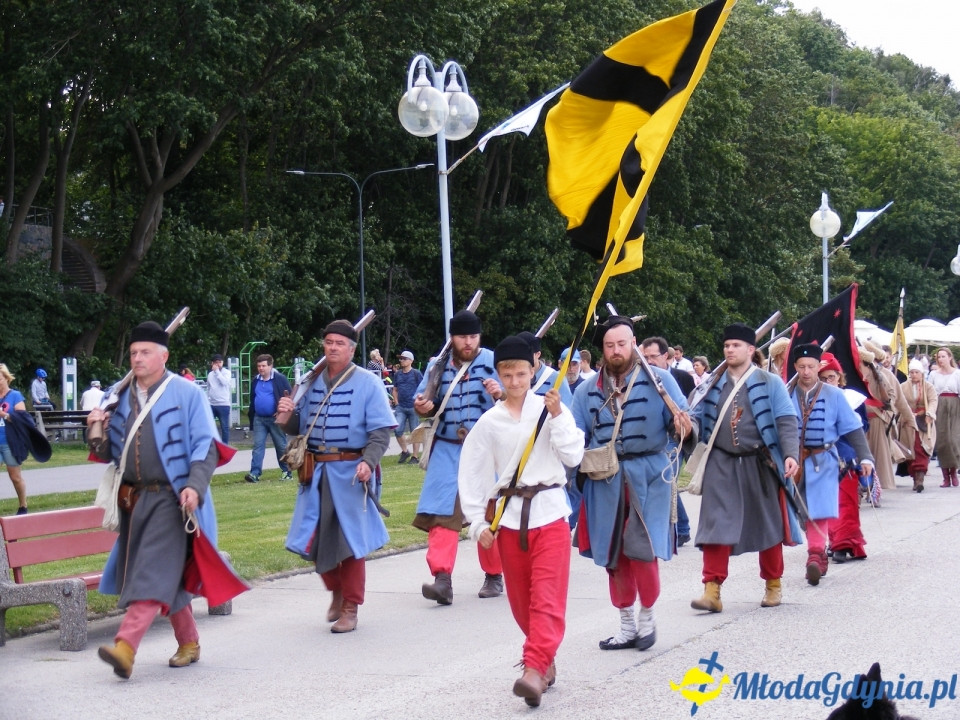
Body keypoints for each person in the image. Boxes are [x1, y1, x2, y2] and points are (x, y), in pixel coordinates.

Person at [87, 321, 222, 679]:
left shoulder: (187, 393)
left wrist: (195, 485)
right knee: (161, 573)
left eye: (145, 352)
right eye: (133, 353)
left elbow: (205, 446)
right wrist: (96, 427)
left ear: (164, 356)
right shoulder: (122, 397)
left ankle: (126, 647)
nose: (137, 358)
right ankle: (189, 641)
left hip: (172, 499)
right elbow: (109, 454)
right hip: (133, 500)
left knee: (149, 573)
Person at [458, 336, 584, 707]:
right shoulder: (489, 422)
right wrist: (478, 525)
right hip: (510, 521)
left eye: (521, 373)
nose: (514, 381)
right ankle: (544, 659)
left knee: (547, 597)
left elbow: (573, 455)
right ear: (498, 374)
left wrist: (559, 417)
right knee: (520, 602)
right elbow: (474, 476)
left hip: (549, 514)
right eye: (507, 374)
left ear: (534, 372)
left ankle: (532, 668)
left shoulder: (550, 408)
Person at [572, 317, 692, 652]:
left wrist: (684, 426)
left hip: (649, 477)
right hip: (604, 481)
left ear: (633, 343)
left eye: (621, 344)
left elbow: (685, 427)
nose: (615, 351)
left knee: (643, 551)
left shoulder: (661, 380)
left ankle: (648, 617)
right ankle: (626, 626)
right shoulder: (585, 391)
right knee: (613, 556)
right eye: (609, 346)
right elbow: (572, 438)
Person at [278, 320, 396, 634]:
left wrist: (369, 463)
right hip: (314, 473)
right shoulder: (311, 381)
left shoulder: (368, 383)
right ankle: (336, 589)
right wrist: (287, 415)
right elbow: (299, 427)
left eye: (339, 343)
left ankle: (351, 607)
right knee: (313, 541)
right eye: (328, 342)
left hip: (350, 474)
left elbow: (381, 432)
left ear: (352, 349)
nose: (332, 347)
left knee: (350, 544)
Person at [689, 323, 801, 613]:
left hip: (759, 462)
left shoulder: (769, 382)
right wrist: (684, 426)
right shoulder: (713, 383)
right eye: (726, 346)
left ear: (751, 350)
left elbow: (787, 421)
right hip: (721, 462)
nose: (729, 350)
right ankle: (711, 591)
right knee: (714, 526)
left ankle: (773, 585)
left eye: (736, 345)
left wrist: (790, 454)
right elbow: (696, 419)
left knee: (768, 526)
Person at [413, 310, 504, 603]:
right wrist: (423, 406)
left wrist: (499, 393)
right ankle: (442, 580)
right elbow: (422, 401)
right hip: (448, 447)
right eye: (463, 336)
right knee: (441, 514)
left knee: (488, 513)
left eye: (473, 336)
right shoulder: (436, 366)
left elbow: (517, 398)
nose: (468, 342)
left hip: (485, 449)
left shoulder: (494, 362)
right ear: (452, 338)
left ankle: (494, 575)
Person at [789, 344, 873, 585]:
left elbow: (853, 429)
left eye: (811, 367)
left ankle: (815, 555)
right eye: (802, 367)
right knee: (801, 510)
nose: (806, 372)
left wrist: (865, 457)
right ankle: (818, 548)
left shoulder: (834, 395)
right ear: (795, 367)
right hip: (793, 460)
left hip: (823, 459)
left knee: (820, 508)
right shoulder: (786, 393)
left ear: (818, 367)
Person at [640, 336, 695, 547]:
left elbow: (689, 406)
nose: (649, 361)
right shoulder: (643, 377)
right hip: (656, 437)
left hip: (675, 435)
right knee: (660, 480)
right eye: (646, 357)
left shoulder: (682, 377)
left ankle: (681, 528)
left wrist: (685, 426)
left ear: (666, 356)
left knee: (666, 478)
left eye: (653, 356)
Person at [818, 352, 871, 562]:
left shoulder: (853, 398)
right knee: (828, 503)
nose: (827, 381)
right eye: (822, 378)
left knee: (846, 503)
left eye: (831, 377)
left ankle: (844, 543)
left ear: (839, 377)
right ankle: (837, 542)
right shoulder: (812, 398)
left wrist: (851, 422)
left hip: (847, 456)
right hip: (821, 456)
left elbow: (864, 426)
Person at [859, 342, 914, 491]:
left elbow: (896, 400)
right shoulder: (855, 374)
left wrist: (910, 420)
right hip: (859, 422)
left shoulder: (882, 375)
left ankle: (877, 489)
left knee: (879, 459)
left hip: (876, 420)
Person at [246, 354, 292, 483]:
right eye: (259, 366)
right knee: (258, 446)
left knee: (281, 446)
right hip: (259, 419)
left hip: (275, 419)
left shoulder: (279, 379)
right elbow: (252, 398)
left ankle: (286, 471)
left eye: (264, 366)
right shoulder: (256, 380)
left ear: (270, 366)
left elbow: (289, 396)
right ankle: (254, 473)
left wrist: (281, 411)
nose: (261, 368)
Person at [899, 359, 937, 492]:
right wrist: (905, 414)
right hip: (908, 422)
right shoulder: (903, 386)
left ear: (922, 373)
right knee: (910, 450)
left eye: (916, 372)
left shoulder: (929, 387)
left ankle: (920, 478)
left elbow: (933, 401)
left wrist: (929, 413)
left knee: (922, 449)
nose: (914, 374)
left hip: (923, 422)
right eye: (912, 372)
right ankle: (915, 478)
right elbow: (899, 402)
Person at [0, 363, 30, 514]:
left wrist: (3, 414)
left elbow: (21, 420)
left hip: (9, 442)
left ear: (6, 378)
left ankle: (23, 505)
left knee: (15, 477)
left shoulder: (15, 396)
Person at [928, 347, 960, 488]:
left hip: (955, 406)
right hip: (939, 405)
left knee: (953, 440)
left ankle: (953, 472)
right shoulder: (934, 374)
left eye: (943, 356)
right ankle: (945, 476)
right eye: (939, 357)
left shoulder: (957, 374)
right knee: (942, 441)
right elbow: (930, 392)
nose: (941, 359)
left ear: (949, 357)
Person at [392, 350, 423, 464]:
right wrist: (396, 402)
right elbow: (395, 389)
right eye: (400, 358)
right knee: (397, 429)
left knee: (415, 432)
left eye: (404, 359)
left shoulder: (416, 373)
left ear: (411, 361)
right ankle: (405, 451)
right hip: (401, 407)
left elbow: (423, 388)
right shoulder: (397, 374)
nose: (401, 360)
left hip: (413, 407)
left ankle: (415, 457)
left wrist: (419, 402)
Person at [207, 354, 232, 444]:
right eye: (216, 362)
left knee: (224, 427)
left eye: (220, 362)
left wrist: (217, 372)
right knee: (208, 425)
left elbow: (224, 382)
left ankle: (225, 445)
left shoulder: (226, 372)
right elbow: (209, 387)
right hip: (212, 404)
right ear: (212, 363)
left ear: (222, 363)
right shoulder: (210, 374)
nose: (218, 364)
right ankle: (211, 443)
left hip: (223, 404)